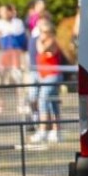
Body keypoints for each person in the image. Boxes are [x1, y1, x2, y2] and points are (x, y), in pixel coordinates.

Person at [32, 17, 64, 145]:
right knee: (52, 103)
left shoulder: (52, 41)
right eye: (41, 31)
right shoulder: (40, 41)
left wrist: (40, 39)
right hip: (44, 76)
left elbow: (42, 50)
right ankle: (57, 131)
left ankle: (43, 131)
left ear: (50, 32)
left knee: (43, 100)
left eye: (45, 32)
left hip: (53, 76)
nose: (42, 34)